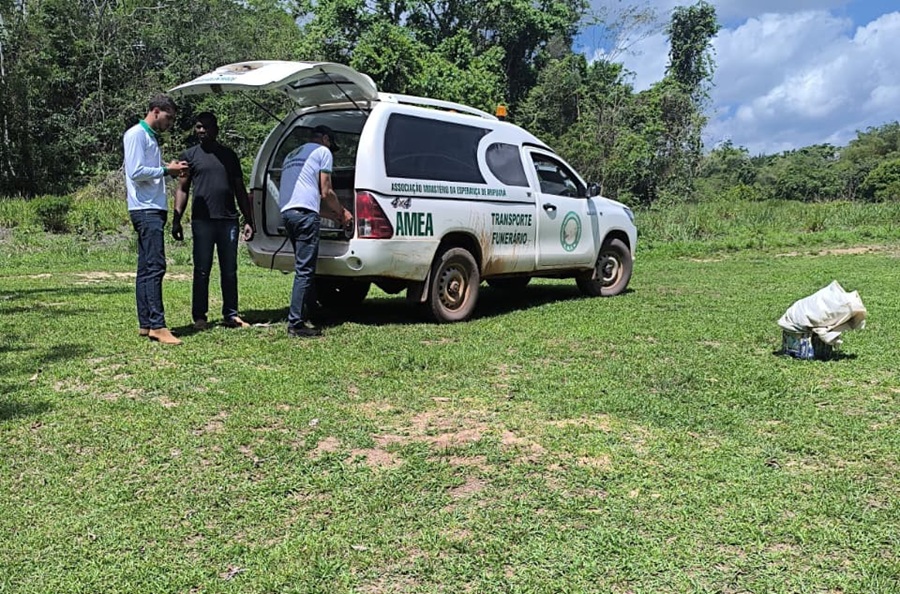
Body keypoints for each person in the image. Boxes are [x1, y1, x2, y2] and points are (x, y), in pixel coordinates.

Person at [173, 112, 254, 331]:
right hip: (202, 222)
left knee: (229, 269)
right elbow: (182, 189)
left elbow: (239, 189)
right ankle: (200, 316)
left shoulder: (228, 155)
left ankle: (231, 314)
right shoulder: (188, 156)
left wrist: (249, 220)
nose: (202, 131)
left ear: (216, 129)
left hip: (228, 220)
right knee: (201, 269)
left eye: (206, 127)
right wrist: (176, 219)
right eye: (198, 127)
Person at [123, 94, 189, 345]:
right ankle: (158, 326)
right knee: (155, 266)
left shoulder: (149, 137)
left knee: (146, 267)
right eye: (168, 117)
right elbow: (136, 171)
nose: (170, 123)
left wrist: (168, 168)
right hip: (145, 210)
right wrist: (166, 170)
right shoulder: (136, 135)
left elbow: (147, 170)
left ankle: (146, 324)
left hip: (151, 208)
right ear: (155, 111)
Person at [279, 125, 353, 338]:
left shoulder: (292, 155)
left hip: (289, 214)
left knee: (303, 266)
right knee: (305, 269)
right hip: (304, 216)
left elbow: (305, 197)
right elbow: (326, 191)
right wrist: (343, 212)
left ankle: (312, 311)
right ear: (326, 139)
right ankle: (296, 323)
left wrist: (333, 216)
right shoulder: (323, 152)